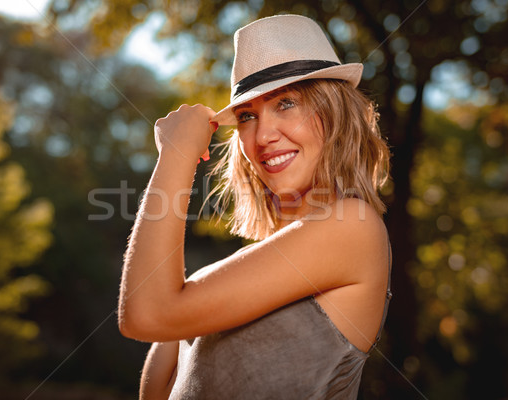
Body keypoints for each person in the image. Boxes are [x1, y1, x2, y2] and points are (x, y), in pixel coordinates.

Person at [119, 14, 392, 399]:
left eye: (287, 103)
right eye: (247, 116)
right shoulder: (221, 278)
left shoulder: (353, 225)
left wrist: (176, 155)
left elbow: (146, 314)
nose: (262, 135)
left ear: (334, 116)